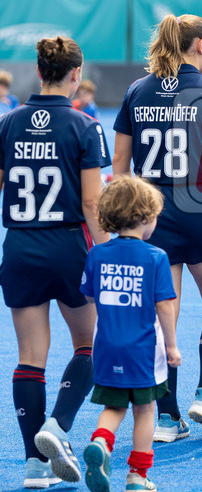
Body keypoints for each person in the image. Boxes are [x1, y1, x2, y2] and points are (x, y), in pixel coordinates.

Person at [113, 14, 202, 441]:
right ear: (197, 45)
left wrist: (123, 220)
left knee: (163, 314)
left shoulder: (137, 90)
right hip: (200, 206)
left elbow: (120, 166)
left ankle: (167, 418)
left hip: (148, 211)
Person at [0, 36, 110, 487]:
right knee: (91, 343)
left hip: (20, 247)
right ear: (75, 74)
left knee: (30, 357)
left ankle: (33, 465)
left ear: (39, 71)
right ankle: (57, 426)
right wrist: (107, 251)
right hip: (68, 248)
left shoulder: (7, 123)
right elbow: (91, 201)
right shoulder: (85, 126)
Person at [80, 176, 179, 492]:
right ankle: (137, 475)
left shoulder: (97, 254)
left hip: (107, 345)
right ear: (147, 217)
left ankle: (101, 442)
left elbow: (90, 296)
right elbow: (164, 306)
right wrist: (173, 346)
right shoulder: (155, 257)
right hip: (143, 350)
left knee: (114, 407)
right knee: (145, 409)